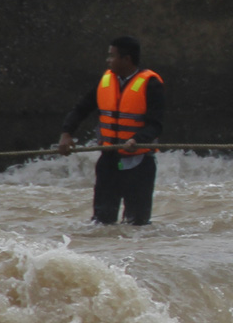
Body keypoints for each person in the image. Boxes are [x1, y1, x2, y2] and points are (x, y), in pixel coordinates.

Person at [57, 35, 165, 226]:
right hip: (109, 161)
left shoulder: (151, 84)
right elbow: (80, 109)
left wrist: (137, 139)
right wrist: (67, 133)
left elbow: (156, 124)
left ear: (126, 59)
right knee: (101, 223)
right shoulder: (105, 81)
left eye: (112, 56)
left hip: (139, 164)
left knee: (137, 224)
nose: (108, 60)